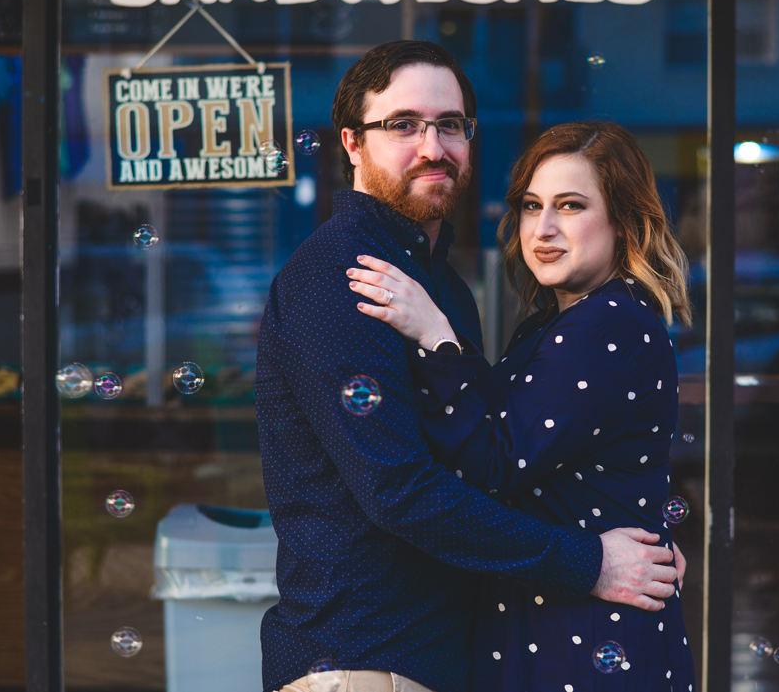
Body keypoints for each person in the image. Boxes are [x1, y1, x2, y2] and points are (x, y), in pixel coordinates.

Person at [255, 42, 682, 692]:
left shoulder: (437, 287)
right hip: (365, 656)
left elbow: (486, 453)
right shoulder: (347, 279)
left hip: (442, 653)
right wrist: (590, 559)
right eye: (403, 125)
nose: (433, 145)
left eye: (450, 124)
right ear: (351, 142)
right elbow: (402, 491)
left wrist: (623, 530)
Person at [347, 121, 696, 691]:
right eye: (533, 206)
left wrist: (436, 334)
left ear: (625, 221)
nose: (545, 229)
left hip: (582, 638)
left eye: (572, 205)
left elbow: (493, 462)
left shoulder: (605, 324)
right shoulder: (564, 321)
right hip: (563, 615)